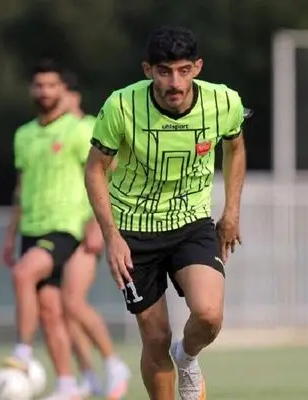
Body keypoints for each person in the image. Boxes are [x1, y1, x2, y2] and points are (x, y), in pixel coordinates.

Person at [84, 26, 250, 400]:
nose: (175, 82)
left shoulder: (224, 102)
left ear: (197, 67)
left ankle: (187, 357)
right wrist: (111, 236)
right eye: (164, 71)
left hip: (191, 222)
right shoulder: (121, 106)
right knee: (156, 337)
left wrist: (231, 211)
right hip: (133, 231)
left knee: (209, 314)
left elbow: (236, 147)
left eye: (183, 70)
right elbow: (94, 169)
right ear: (148, 70)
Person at [1, 60, 128, 400]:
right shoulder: (24, 135)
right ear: (31, 89)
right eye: (39, 85)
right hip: (32, 228)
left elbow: (109, 174)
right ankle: (70, 383)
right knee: (51, 310)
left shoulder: (81, 129)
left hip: (67, 228)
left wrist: (97, 224)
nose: (45, 91)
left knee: (30, 278)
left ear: (64, 90)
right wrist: (11, 234)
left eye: (52, 85)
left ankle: (24, 351)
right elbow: (21, 188)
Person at [59, 71, 130, 398]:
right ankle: (87, 375)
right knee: (62, 307)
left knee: (72, 301)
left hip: (83, 230)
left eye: (58, 91)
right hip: (57, 229)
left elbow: (110, 174)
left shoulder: (90, 127)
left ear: (73, 95)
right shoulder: (53, 133)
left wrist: (97, 223)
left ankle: (113, 363)